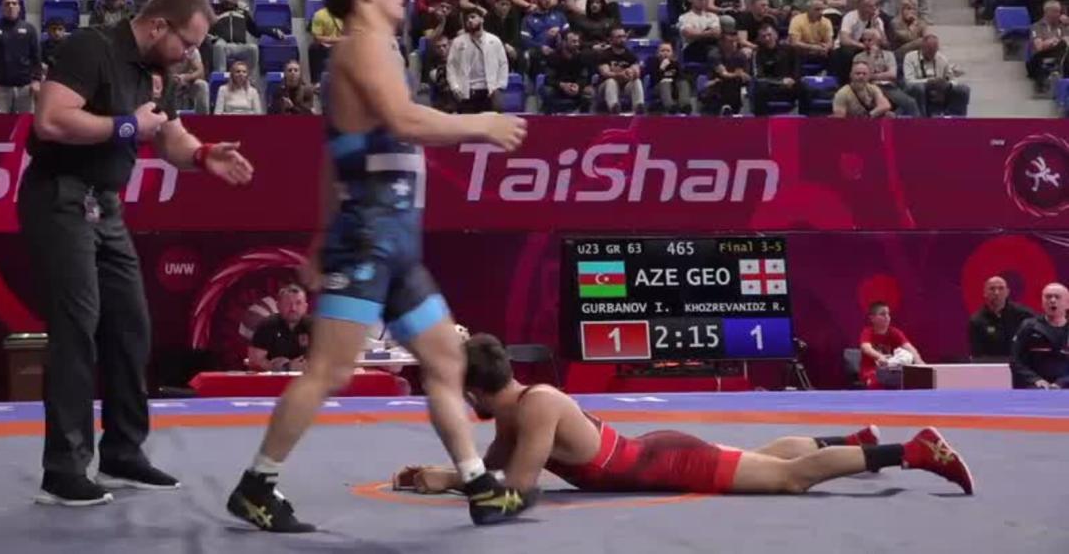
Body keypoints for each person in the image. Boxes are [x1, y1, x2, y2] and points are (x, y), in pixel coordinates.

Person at [226, 0, 531, 533]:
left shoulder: (379, 51)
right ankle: (256, 485)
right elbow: (405, 121)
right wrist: (482, 125)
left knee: (446, 357)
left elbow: (333, 158)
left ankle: (479, 487)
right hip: (368, 239)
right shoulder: (360, 47)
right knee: (328, 370)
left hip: (393, 244)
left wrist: (320, 237)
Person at [21, 0, 255, 507]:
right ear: (157, 26)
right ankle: (63, 471)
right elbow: (51, 119)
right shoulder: (91, 47)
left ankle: (123, 453)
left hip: (105, 205)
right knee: (77, 330)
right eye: (186, 43)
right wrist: (128, 125)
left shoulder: (155, 71)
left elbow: (169, 136)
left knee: (130, 326)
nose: (190, 55)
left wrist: (204, 155)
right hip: (59, 197)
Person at [395, 334, 974, 497]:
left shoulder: (538, 405)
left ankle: (912, 451)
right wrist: (446, 476)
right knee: (762, 458)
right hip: (657, 454)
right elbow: (493, 472)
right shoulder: (516, 411)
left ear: (473, 392)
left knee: (788, 479)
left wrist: (464, 486)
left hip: (670, 462)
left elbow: (517, 489)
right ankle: (852, 439)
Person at [1010, 283, 1069, 389]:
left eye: (1057, 297)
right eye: (1048, 297)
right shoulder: (1028, 326)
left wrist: (1062, 383)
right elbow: (1015, 360)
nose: (1052, 300)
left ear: (1067, 303)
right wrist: (1035, 380)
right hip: (1034, 387)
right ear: (1042, 302)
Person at [858, 301, 923, 389]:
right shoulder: (867, 332)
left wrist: (921, 365)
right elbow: (866, 348)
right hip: (870, 370)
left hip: (890, 370)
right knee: (876, 382)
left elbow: (910, 348)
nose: (887, 317)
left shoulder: (895, 332)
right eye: (882, 314)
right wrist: (880, 356)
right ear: (872, 318)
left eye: (888, 314)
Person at [247, 284, 312, 372]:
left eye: (298, 303)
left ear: (305, 307)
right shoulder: (266, 326)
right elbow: (254, 361)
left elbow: (328, 358)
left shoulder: (316, 327)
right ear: (278, 306)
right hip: (273, 379)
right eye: (287, 303)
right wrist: (286, 368)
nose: (293, 308)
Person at [969, 276, 1036, 360]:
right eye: (992, 289)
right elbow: (977, 356)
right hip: (992, 365)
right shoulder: (976, 320)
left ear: (1007, 292)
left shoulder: (1025, 315)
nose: (996, 292)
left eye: (1001, 288)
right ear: (985, 293)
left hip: (1021, 364)